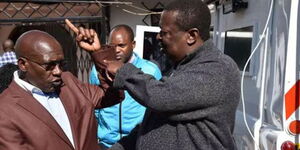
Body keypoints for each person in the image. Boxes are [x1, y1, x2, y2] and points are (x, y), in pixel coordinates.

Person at [103, 0, 241, 149]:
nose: (158, 37)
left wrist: (123, 71)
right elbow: (155, 122)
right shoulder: (179, 68)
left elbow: (161, 97)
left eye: (164, 33)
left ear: (191, 36)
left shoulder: (219, 69)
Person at [0, 30, 124, 150]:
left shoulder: (68, 81)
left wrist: (99, 54)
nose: (58, 71)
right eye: (49, 66)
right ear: (23, 64)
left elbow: (112, 96)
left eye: (61, 64)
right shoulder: (5, 110)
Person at [89, 25, 161, 149]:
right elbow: (93, 106)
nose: (116, 50)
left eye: (121, 46)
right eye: (112, 46)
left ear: (133, 44)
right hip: (106, 143)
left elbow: (157, 107)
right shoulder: (97, 72)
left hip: (138, 142)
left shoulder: (150, 70)